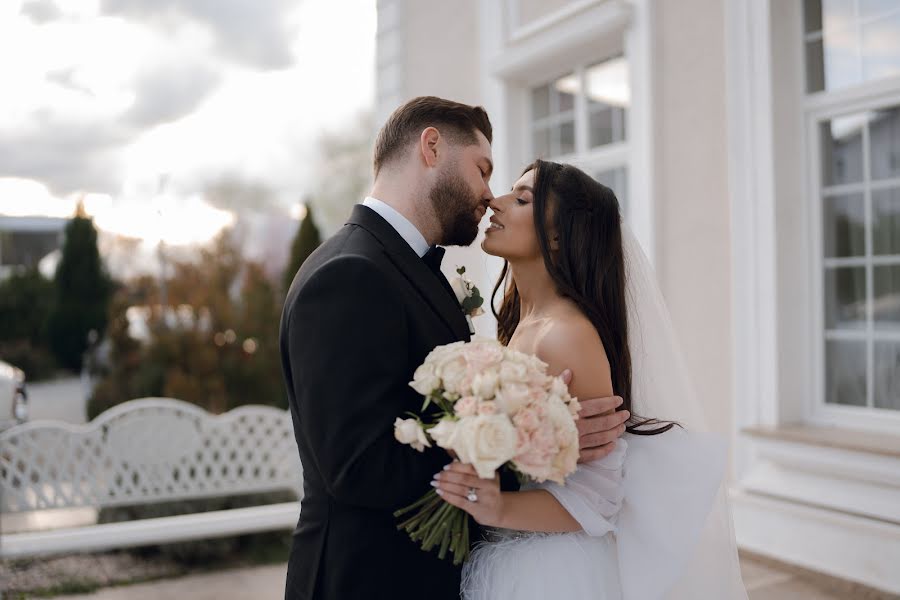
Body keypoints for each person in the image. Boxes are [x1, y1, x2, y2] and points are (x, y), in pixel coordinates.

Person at [279, 98, 629, 600]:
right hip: (366, 578)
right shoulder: (350, 274)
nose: (490, 197)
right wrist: (533, 438)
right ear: (431, 146)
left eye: (515, 192)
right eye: (483, 171)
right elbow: (358, 467)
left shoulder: (406, 269)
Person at [433, 161, 748, 599]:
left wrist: (497, 505)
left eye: (521, 199)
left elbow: (599, 499)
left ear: (558, 235)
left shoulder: (566, 334)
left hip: (549, 572)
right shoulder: (519, 324)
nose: (494, 202)